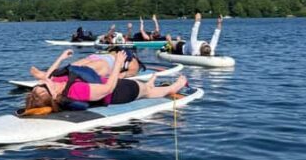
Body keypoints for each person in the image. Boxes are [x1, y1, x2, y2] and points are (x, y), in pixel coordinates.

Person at [24, 50, 187, 112]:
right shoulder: (76, 91)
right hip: (117, 92)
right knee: (147, 92)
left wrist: (61, 57)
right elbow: (109, 88)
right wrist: (117, 65)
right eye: (44, 86)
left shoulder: (55, 83)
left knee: (146, 88)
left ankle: (150, 84)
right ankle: (174, 86)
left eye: (41, 85)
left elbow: (48, 75)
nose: (45, 82)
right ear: (53, 94)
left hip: (107, 83)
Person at [30, 48, 142, 83]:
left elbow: (125, 74)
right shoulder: (127, 55)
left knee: (77, 69)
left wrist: (116, 76)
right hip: (100, 59)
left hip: (105, 63)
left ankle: (50, 76)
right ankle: (50, 75)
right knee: (73, 67)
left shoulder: (134, 64)